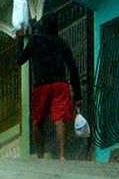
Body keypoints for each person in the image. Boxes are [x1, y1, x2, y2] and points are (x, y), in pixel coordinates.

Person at [16, 15, 81, 161]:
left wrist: (20, 40)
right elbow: (73, 68)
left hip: (41, 86)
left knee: (38, 121)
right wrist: (78, 95)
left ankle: (40, 156)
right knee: (60, 119)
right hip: (60, 85)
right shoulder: (61, 42)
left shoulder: (34, 42)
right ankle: (63, 155)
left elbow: (20, 60)